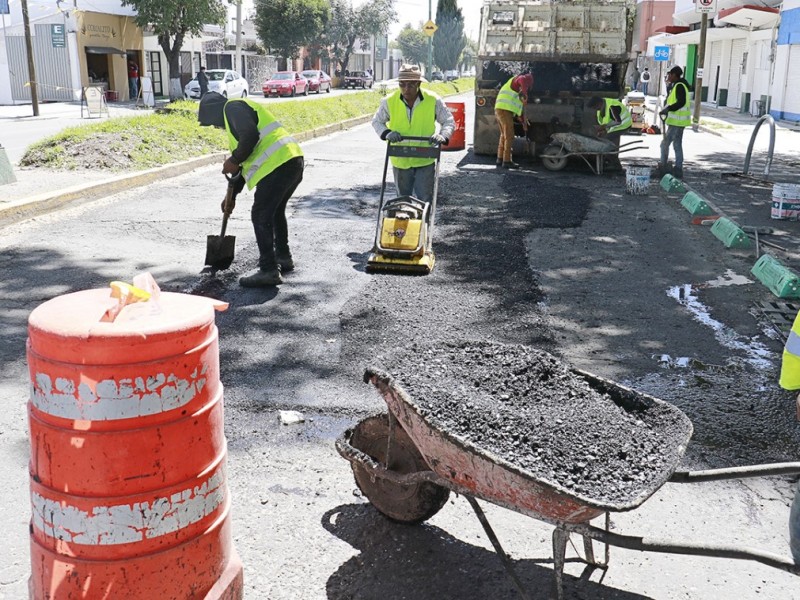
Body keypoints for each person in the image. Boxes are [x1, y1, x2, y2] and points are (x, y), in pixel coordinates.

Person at [198, 91, 304, 287]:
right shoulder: (237, 116)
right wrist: (232, 196)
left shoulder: (232, 107)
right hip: (291, 160)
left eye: (213, 123)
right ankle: (283, 257)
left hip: (279, 165)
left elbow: (250, 137)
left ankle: (269, 270)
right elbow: (244, 164)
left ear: (213, 112)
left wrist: (234, 159)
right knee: (275, 211)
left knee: (261, 214)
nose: (216, 127)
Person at [371, 64, 455, 202]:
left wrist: (443, 135)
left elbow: (448, 121)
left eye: (410, 85)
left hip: (424, 159)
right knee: (402, 201)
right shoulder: (389, 101)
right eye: (402, 85)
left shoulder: (433, 100)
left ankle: (424, 223)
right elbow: (377, 121)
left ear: (418, 84)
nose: (406, 89)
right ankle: (403, 223)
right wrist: (387, 133)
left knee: (425, 200)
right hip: (400, 160)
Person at [494, 72, 533, 169]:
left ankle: (500, 158)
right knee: (510, 136)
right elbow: (522, 79)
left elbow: (519, 112)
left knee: (504, 135)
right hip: (504, 110)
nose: (527, 88)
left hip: (500, 109)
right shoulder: (517, 80)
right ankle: (507, 161)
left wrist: (524, 122)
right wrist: (524, 93)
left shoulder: (518, 92)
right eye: (528, 86)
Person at [658, 66, 691, 179]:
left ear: (674, 75)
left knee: (664, 144)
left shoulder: (679, 86)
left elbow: (680, 102)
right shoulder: (678, 85)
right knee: (677, 145)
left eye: (670, 75)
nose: (668, 77)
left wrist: (668, 109)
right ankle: (678, 169)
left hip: (677, 122)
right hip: (677, 122)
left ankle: (663, 167)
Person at [587, 95, 631, 171]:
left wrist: (604, 127)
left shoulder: (612, 106)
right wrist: (603, 131)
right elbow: (607, 122)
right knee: (604, 141)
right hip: (615, 126)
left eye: (595, 107)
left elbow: (617, 121)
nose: (595, 110)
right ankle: (608, 161)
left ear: (599, 104)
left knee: (607, 142)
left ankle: (615, 165)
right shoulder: (601, 110)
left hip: (624, 124)